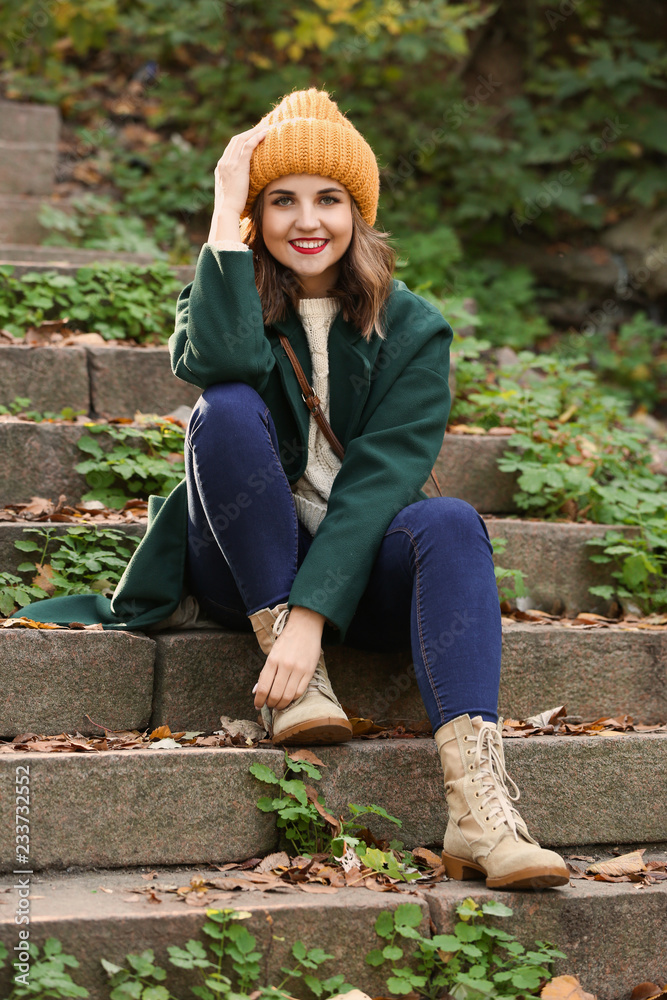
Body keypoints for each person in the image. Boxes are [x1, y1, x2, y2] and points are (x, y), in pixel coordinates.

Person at [16, 88, 569, 891]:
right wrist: (221, 206)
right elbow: (219, 367)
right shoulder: (225, 290)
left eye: (328, 199)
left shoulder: (412, 327)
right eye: (280, 200)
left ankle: (480, 812)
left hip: (353, 575)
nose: (306, 221)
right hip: (236, 562)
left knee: (449, 521)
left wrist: (311, 618)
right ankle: (290, 674)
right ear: (255, 213)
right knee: (228, 407)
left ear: (359, 212)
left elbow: (383, 479)